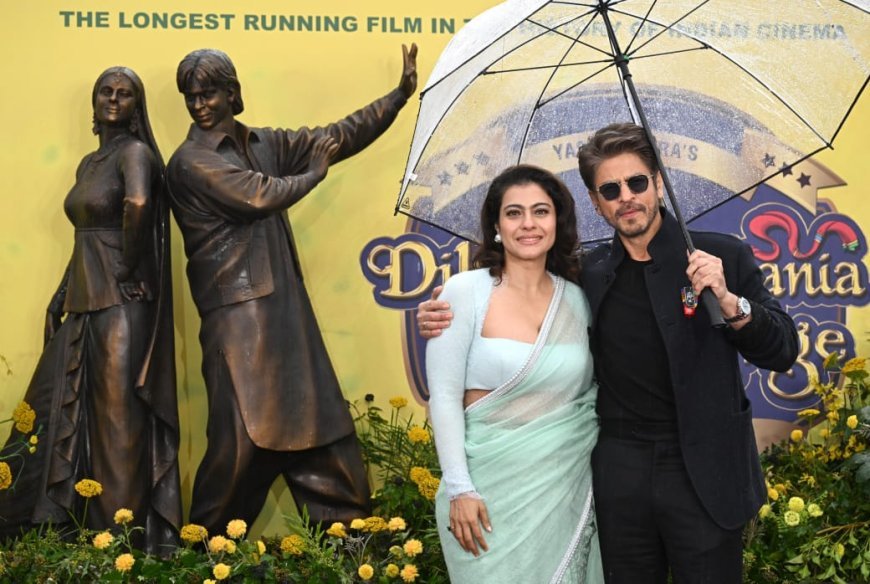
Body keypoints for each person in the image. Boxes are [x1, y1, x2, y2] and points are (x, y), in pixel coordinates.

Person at [418, 123, 799, 583]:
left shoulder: (721, 257)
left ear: (658, 182)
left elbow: (782, 351)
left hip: (707, 475)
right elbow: (517, 298)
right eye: (610, 189)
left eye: (637, 182)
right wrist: (439, 316)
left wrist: (731, 300)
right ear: (596, 203)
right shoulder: (589, 275)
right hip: (621, 479)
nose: (627, 197)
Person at [166, 46, 418, 534]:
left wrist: (398, 96)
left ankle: (352, 544)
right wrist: (312, 175)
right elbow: (260, 195)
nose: (199, 105)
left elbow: (336, 137)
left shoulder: (263, 143)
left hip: (283, 311)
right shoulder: (190, 163)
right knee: (241, 439)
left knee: (321, 427)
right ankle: (203, 553)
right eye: (190, 97)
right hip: (238, 319)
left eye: (209, 94)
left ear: (233, 93)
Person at [0, 67, 181, 553]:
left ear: (136, 107)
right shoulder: (89, 162)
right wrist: (63, 292)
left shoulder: (135, 153)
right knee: (63, 417)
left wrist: (124, 271)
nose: (114, 99)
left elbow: (140, 205)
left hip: (121, 306)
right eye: (107, 91)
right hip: (85, 299)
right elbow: (86, 237)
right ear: (95, 101)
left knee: (117, 428)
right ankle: (69, 537)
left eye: (125, 94)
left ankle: (122, 546)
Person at [427, 165, 603, 583]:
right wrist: (460, 489)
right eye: (514, 213)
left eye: (541, 211)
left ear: (558, 222)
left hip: (564, 491)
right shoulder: (464, 292)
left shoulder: (579, 301)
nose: (528, 224)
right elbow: (444, 397)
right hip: (484, 499)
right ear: (495, 224)